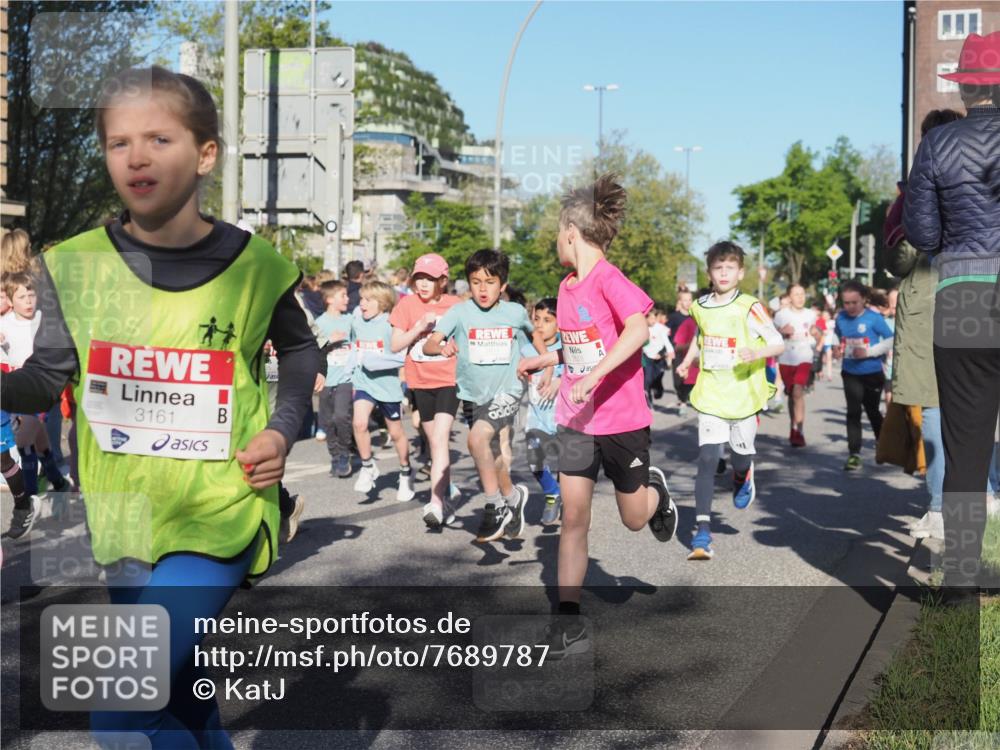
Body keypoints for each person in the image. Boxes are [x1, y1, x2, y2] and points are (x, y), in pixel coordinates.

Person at [0, 66, 320, 747]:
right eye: (119, 143)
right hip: (121, 516)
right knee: (176, 694)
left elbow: (299, 355)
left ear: (205, 154)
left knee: (119, 711)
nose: (137, 156)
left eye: (159, 138)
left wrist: (282, 432)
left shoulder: (255, 264)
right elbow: (44, 376)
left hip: (219, 509)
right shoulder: (74, 263)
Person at [518, 174, 678, 658]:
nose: (555, 242)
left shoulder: (611, 279)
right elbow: (580, 346)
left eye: (556, 233)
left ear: (571, 231)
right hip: (574, 420)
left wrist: (597, 375)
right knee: (574, 519)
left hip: (622, 421)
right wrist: (549, 361)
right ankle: (566, 621)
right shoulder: (566, 288)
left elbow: (637, 332)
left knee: (633, 519)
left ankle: (655, 492)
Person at [903, 32, 1000, 594]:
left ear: (964, 89)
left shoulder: (937, 146)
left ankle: (962, 577)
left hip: (963, 296)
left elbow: (922, 232)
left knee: (965, 446)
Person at [424, 249, 548, 542]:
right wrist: (442, 348)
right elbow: (430, 344)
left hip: (508, 390)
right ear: (468, 283)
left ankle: (493, 506)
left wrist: (547, 364)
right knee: (489, 454)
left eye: (490, 282)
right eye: (476, 281)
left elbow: (534, 335)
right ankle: (512, 497)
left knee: (477, 440)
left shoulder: (514, 313)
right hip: (473, 395)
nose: (482, 289)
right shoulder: (459, 312)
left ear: (502, 285)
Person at [675, 242, 785, 560]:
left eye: (729, 268)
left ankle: (742, 473)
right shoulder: (701, 306)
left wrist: (757, 352)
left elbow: (777, 343)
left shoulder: (750, 306)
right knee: (708, 458)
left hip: (743, 396)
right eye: (717, 268)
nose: (723, 273)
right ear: (709, 272)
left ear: (740, 272)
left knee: (739, 456)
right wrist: (689, 362)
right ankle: (702, 532)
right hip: (711, 393)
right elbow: (702, 337)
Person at [388, 253, 462, 527]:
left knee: (441, 438)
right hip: (419, 381)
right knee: (434, 443)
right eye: (419, 277)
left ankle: (435, 502)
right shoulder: (406, 305)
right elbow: (395, 345)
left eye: (429, 279)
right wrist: (419, 327)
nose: (423, 284)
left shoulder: (456, 305)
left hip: (449, 380)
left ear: (443, 281)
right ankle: (447, 493)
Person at [350, 280, 413, 502]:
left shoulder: (390, 324)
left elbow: (401, 356)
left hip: (387, 386)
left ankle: (405, 473)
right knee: (359, 423)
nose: (362, 303)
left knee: (396, 433)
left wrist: (377, 361)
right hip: (363, 383)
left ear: (383, 303)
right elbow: (353, 350)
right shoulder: (356, 322)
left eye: (368, 300)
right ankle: (368, 466)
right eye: (361, 299)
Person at [833, 280, 894, 471]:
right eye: (846, 303)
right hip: (850, 371)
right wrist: (836, 347)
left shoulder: (873, 318)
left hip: (872, 372)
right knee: (853, 412)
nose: (850, 307)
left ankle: (883, 445)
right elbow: (836, 335)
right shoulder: (841, 317)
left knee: (873, 411)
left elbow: (891, 339)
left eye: (854, 302)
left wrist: (869, 352)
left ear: (864, 300)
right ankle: (854, 454)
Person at [522, 297, 564, 525]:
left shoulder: (567, 349)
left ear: (560, 323)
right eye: (536, 319)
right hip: (536, 419)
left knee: (569, 466)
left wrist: (561, 381)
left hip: (563, 419)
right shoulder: (527, 349)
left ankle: (571, 502)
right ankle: (552, 493)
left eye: (547, 320)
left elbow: (582, 373)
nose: (540, 324)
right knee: (533, 459)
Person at [315, 280, 355, 478]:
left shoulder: (350, 320)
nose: (347, 299)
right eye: (343, 296)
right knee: (327, 420)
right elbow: (313, 349)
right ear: (330, 299)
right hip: (325, 379)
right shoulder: (320, 323)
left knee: (341, 416)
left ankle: (344, 455)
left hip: (346, 378)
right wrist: (330, 341)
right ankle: (334, 454)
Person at [773, 284, 822, 446]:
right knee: (791, 393)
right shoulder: (780, 315)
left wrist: (817, 336)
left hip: (804, 356)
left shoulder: (810, 314)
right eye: (796, 294)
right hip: (786, 357)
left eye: (802, 294)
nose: (800, 297)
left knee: (798, 390)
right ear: (789, 297)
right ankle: (792, 425)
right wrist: (781, 332)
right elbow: (771, 338)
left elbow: (818, 334)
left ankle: (799, 429)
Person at [668, 288, 694, 414]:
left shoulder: (695, 316)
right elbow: (666, 334)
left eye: (690, 299)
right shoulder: (674, 317)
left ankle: (683, 402)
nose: (688, 302)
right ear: (680, 301)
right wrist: (668, 350)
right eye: (685, 300)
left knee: (690, 378)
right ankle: (682, 396)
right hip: (677, 352)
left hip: (692, 353)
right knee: (677, 380)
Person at [642, 308, 674, 405]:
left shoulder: (660, 328)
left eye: (654, 318)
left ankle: (658, 389)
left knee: (657, 378)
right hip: (647, 357)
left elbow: (667, 342)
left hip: (659, 358)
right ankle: (648, 397)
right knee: (647, 379)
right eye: (651, 318)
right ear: (646, 318)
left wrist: (667, 352)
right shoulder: (642, 328)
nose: (653, 321)